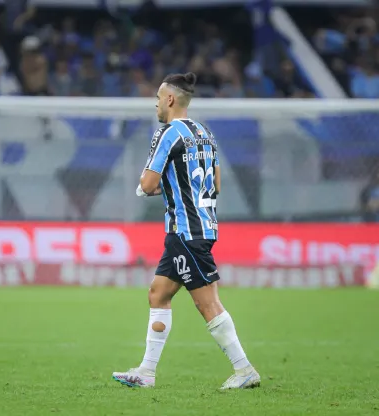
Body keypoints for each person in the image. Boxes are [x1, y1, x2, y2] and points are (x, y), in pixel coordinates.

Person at [112, 73, 260, 389]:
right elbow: (216, 184)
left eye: (157, 97)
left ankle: (244, 368)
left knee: (207, 303)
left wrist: (147, 187)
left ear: (169, 99)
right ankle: (146, 372)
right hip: (202, 224)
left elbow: (148, 184)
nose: (154, 103)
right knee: (158, 293)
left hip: (185, 230)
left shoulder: (167, 134)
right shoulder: (206, 133)